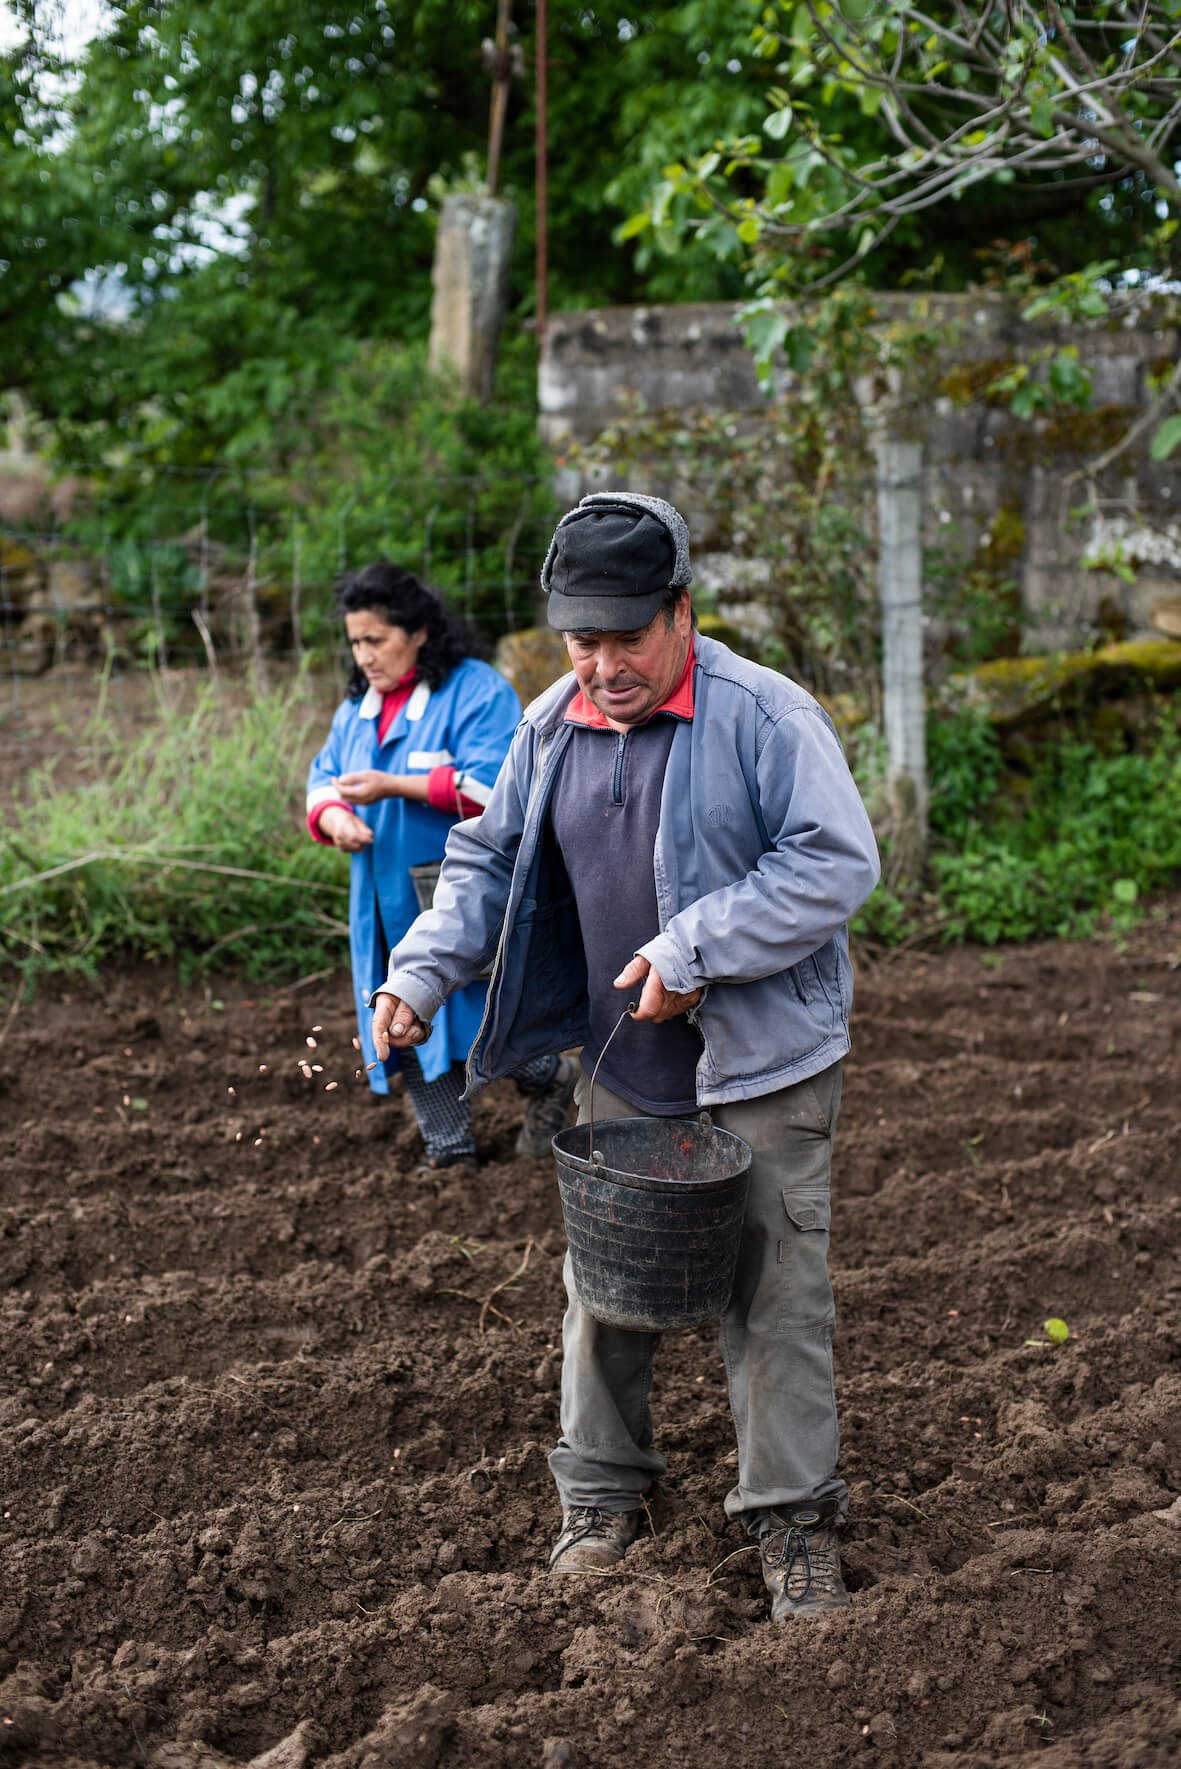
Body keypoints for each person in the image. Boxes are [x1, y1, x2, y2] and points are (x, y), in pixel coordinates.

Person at [370, 497, 880, 1620]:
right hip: (618, 1066)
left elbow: (836, 863)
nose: (600, 664)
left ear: (681, 613)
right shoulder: (551, 723)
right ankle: (598, 1497)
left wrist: (696, 943)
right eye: (578, 639)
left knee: (771, 1294)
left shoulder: (762, 716)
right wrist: (419, 973)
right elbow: (485, 861)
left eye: (624, 637)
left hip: (759, 1068)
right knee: (601, 1293)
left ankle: (791, 1521)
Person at [306, 561, 577, 1171]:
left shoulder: (477, 691)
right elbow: (322, 775)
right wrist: (332, 817)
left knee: (470, 1013)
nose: (364, 655)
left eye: (375, 639)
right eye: (355, 642)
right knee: (397, 1017)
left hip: (451, 893)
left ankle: (548, 1077)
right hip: (380, 900)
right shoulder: (360, 705)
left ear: (419, 631)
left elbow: (500, 787)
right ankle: (451, 1151)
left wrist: (396, 785)